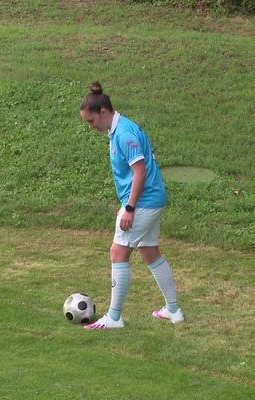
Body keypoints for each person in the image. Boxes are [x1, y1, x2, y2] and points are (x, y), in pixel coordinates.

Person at [78, 81, 184, 329]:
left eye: (91, 121)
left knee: (118, 252)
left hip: (144, 202)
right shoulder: (119, 130)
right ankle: (173, 310)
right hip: (150, 200)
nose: (90, 126)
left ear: (103, 113)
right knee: (149, 253)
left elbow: (140, 172)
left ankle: (114, 317)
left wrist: (130, 208)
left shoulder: (124, 134)